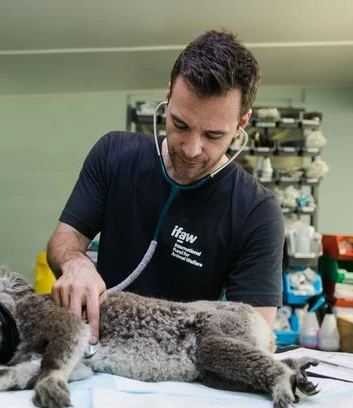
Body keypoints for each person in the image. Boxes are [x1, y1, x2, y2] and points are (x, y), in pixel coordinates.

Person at [46, 29, 284, 346]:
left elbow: (254, 331)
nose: (191, 149)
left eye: (213, 135)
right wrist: (75, 264)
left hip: (187, 366)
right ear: (169, 94)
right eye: (181, 125)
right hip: (101, 347)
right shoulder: (114, 154)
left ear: (242, 123)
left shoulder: (257, 211)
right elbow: (65, 238)